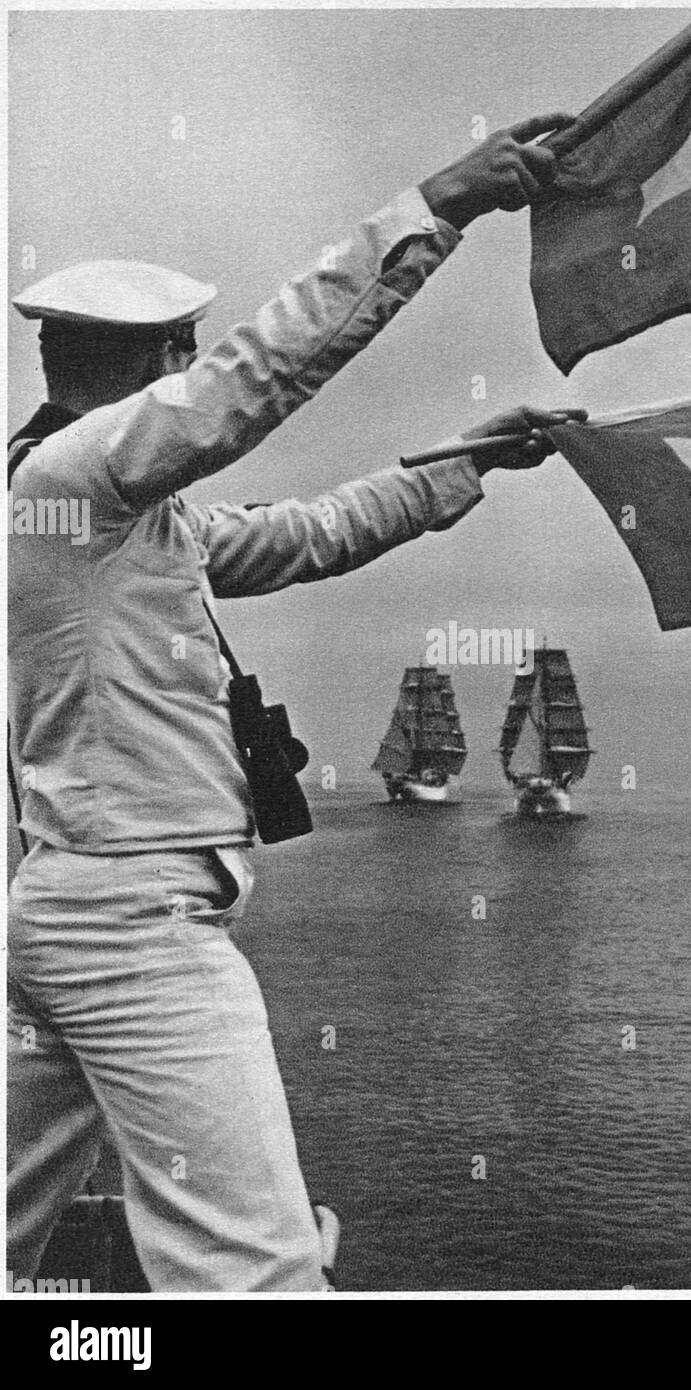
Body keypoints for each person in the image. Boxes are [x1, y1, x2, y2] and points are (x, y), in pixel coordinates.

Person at [7, 112, 588, 1291]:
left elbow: (307, 535)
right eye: (182, 354)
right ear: (147, 366)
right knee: (256, 1275)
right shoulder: (81, 478)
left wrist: (461, 459)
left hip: (64, 912)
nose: (193, 370)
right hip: (137, 927)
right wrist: (438, 205)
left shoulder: (98, 517)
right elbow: (266, 371)